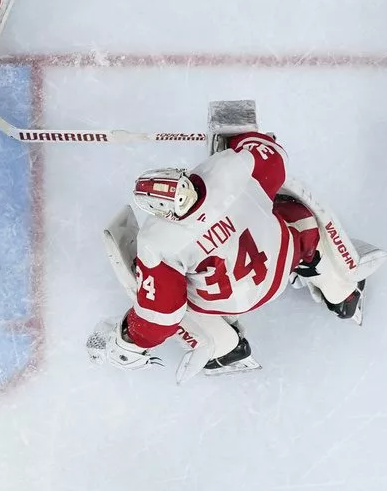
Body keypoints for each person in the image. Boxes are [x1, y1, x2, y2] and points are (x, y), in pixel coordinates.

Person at [92, 131, 371, 376]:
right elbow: (274, 158)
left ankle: (224, 348)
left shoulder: (158, 240)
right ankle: (342, 291)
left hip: (228, 302)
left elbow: (160, 318)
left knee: (165, 293)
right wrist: (240, 141)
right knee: (297, 216)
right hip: (278, 267)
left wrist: (131, 337)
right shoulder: (226, 172)